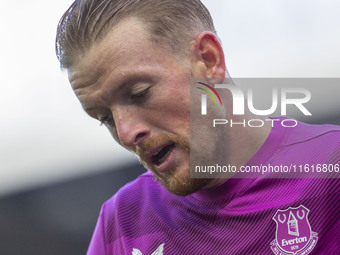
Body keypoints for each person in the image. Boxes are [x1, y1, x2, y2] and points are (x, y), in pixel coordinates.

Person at [56, 0, 340, 254]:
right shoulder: (123, 221)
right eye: (105, 118)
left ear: (208, 60)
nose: (127, 134)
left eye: (139, 93)